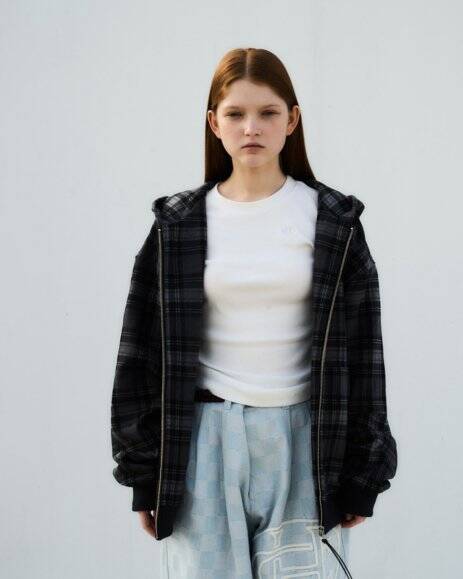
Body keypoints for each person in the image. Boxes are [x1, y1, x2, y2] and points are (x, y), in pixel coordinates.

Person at [110, 47, 398, 579]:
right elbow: (140, 353)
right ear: (214, 123)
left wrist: (364, 472)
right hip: (203, 444)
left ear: (292, 120)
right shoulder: (177, 225)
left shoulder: (334, 222)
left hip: (307, 441)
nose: (251, 128)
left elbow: (364, 353)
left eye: (268, 112)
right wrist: (144, 474)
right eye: (236, 114)